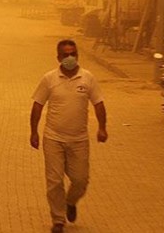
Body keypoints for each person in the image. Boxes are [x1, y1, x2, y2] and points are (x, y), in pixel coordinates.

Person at [30, 39, 107, 233]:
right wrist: (34, 132)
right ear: (58, 57)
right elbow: (37, 105)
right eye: (65, 55)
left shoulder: (87, 78)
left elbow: (98, 103)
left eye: (73, 54)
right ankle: (58, 219)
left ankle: (70, 202)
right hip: (53, 138)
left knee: (80, 180)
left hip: (79, 140)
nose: (70, 58)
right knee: (54, 181)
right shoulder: (49, 79)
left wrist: (102, 128)